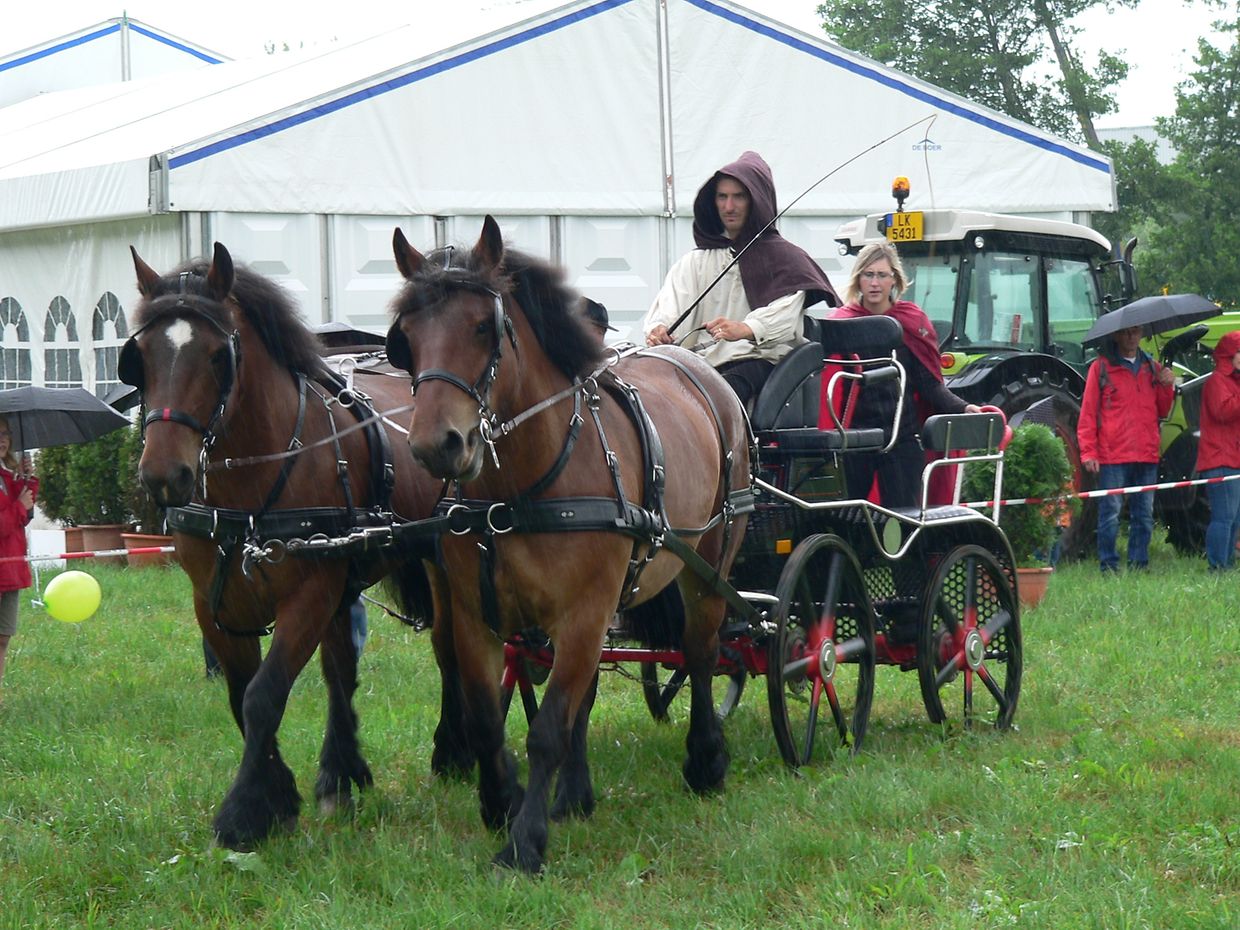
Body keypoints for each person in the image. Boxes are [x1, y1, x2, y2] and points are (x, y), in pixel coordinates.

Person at [643, 150, 837, 407]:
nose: (729, 206)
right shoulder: (695, 262)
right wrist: (659, 330)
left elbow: (785, 318)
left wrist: (746, 329)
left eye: (739, 197)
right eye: (722, 197)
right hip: (700, 367)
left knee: (715, 399)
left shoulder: (786, 259)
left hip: (758, 363)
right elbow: (671, 306)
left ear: (756, 201)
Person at [827, 241, 981, 508]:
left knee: (902, 519)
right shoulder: (842, 322)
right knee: (848, 519)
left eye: (882, 275)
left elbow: (931, 385)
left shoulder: (911, 321)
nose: (875, 283)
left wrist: (964, 407)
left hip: (902, 439)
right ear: (858, 279)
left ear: (894, 279)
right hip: (853, 441)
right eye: (868, 274)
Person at [1078, 323, 1176, 572]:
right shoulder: (1100, 368)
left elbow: (1163, 411)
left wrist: (1167, 385)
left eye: (1136, 331)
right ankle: (1108, 566)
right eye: (1125, 331)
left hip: (1146, 453)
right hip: (1113, 454)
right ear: (1116, 334)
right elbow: (1088, 414)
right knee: (1110, 514)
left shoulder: (1152, 368)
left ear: (1142, 333)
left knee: (1143, 515)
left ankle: (1139, 564)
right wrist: (1089, 451)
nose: (1131, 336)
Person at [1196, 330, 1240, 571]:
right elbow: (1222, 412)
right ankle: (1217, 566)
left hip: (1233, 458)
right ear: (1230, 354)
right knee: (1223, 517)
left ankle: (1228, 563)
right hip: (1219, 459)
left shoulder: (1234, 381)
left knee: (1234, 518)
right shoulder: (1216, 381)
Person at [1, 419, 38, 693]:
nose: (2, 440)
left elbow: (22, 518)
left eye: (4, 434)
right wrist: (18, 507)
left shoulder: (5, 477)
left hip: (10, 570)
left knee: (3, 637)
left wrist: (29, 481)